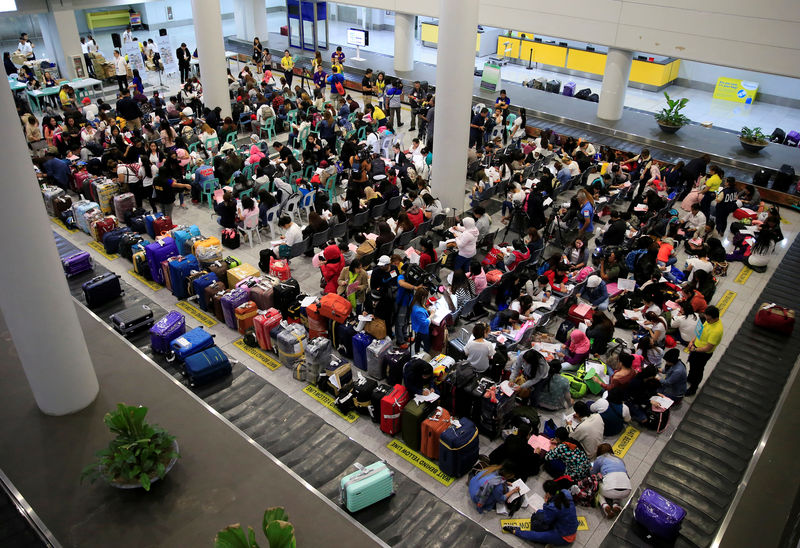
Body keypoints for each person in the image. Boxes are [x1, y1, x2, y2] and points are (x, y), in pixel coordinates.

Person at [506, 480, 579, 546]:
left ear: (547, 493)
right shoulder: (565, 493)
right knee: (539, 513)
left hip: (564, 537)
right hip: (568, 527)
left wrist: (546, 503)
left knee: (536, 535)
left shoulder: (552, 507)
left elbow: (547, 520)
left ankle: (515, 531)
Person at [686, 305, 722, 396]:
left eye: (707, 317)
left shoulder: (716, 331)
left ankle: (693, 388)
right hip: (696, 348)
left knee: (698, 371)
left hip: (703, 354)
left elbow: (708, 348)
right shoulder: (708, 321)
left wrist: (695, 349)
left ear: (713, 317)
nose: (706, 318)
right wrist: (692, 341)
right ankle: (690, 378)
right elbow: (699, 332)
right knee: (692, 365)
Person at [592, 444, 632, 518]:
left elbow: (593, 473)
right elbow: (628, 477)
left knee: (596, 485)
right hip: (627, 490)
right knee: (617, 485)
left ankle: (605, 505)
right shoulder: (620, 459)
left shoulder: (599, 459)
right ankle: (616, 504)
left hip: (610, 490)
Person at [410, 288, 432, 353]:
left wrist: (425, 309)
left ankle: (417, 352)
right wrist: (432, 315)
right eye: (425, 297)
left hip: (417, 327)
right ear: (422, 297)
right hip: (423, 330)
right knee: (427, 345)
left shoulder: (413, 300)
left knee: (417, 341)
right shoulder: (418, 310)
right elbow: (425, 323)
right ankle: (426, 356)